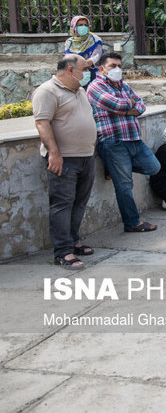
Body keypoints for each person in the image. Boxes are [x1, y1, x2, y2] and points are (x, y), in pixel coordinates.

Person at [32, 54, 97, 269]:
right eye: (84, 69)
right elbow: (42, 123)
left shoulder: (80, 91)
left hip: (86, 156)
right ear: (70, 70)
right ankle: (62, 252)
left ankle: (73, 241)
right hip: (64, 159)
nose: (87, 73)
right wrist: (54, 153)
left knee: (79, 202)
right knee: (62, 204)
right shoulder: (47, 91)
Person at [87, 52, 160, 233]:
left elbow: (141, 106)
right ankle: (132, 222)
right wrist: (129, 106)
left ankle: (113, 168)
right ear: (101, 69)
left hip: (133, 138)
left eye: (119, 66)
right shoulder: (95, 87)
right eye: (113, 66)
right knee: (124, 185)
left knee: (154, 167)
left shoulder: (123, 85)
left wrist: (128, 107)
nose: (117, 69)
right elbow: (118, 105)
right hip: (113, 141)